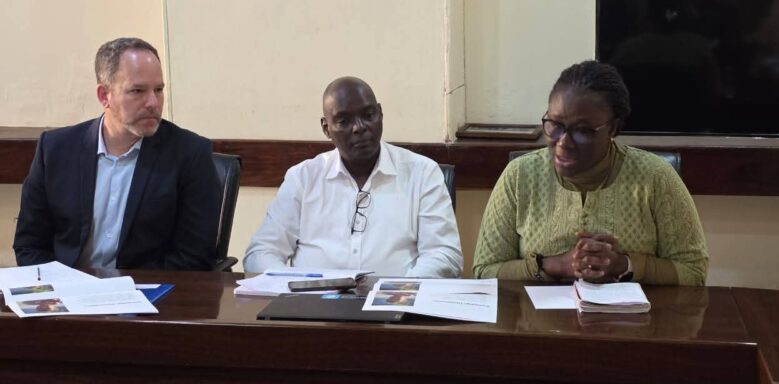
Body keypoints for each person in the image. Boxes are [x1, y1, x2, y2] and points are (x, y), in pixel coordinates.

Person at [473, 61, 708, 285]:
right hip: (536, 315)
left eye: (583, 131)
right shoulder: (519, 176)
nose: (563, 142)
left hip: (637, 314)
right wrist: (556, 265)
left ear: (613, 128)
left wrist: (623, 265)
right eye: (555, 125)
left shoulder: (655, 177)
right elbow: (484, 271)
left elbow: (694, 272)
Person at [14, 37, 220, 270]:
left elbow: (194, 258)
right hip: (68, 288)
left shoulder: (190, 154)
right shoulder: (55, 149)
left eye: (159, 90)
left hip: (148, 289)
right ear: (104, 96)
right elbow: (30, 245)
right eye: (137, 91)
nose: (153, 102)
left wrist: (124, 286)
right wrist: (61, 286)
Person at [244, 77, 462, 277]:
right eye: (344, 121)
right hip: (311, 303)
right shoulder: (302, 178)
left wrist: (398, 292)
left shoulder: (422, 173)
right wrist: (294, 286)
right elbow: (261, 253)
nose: (359, 128)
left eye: (368, 116)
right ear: (326, 128)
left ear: (380, 114)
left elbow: (444, 255)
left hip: (399, 301)